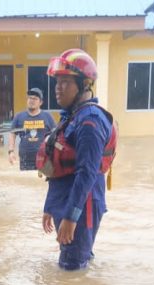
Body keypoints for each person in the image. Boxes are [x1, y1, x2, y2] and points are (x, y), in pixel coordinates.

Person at [37, 49, 118, 271]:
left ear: (84, 85)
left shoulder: (90, 121)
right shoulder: (73, 116)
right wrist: (50, 207)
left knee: (71, 270)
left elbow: (86, 173)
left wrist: (71, 218)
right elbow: (59, 170)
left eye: (65, 82)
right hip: (67, 203)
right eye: (57, 81)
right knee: (76, 264)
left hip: (82, 208)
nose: (58, 88)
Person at [8, 87, 56, 171]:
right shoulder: (19, 116)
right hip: (25, 159)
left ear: (40, 102)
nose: (32, 100)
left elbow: (55, 134)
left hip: (43, 158)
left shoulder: (47, 116)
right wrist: (11, 151)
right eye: (30, 98)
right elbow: (12, 134)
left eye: (35, 99)